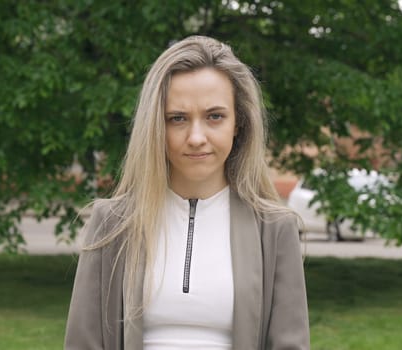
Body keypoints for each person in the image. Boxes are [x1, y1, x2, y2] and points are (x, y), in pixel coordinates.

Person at [65, 35, 310, 350]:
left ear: (239, 124)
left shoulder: (275, 230)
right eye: (177, 118)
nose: (196, 137)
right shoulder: (112, 224)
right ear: (156, 125)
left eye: (214, 117)